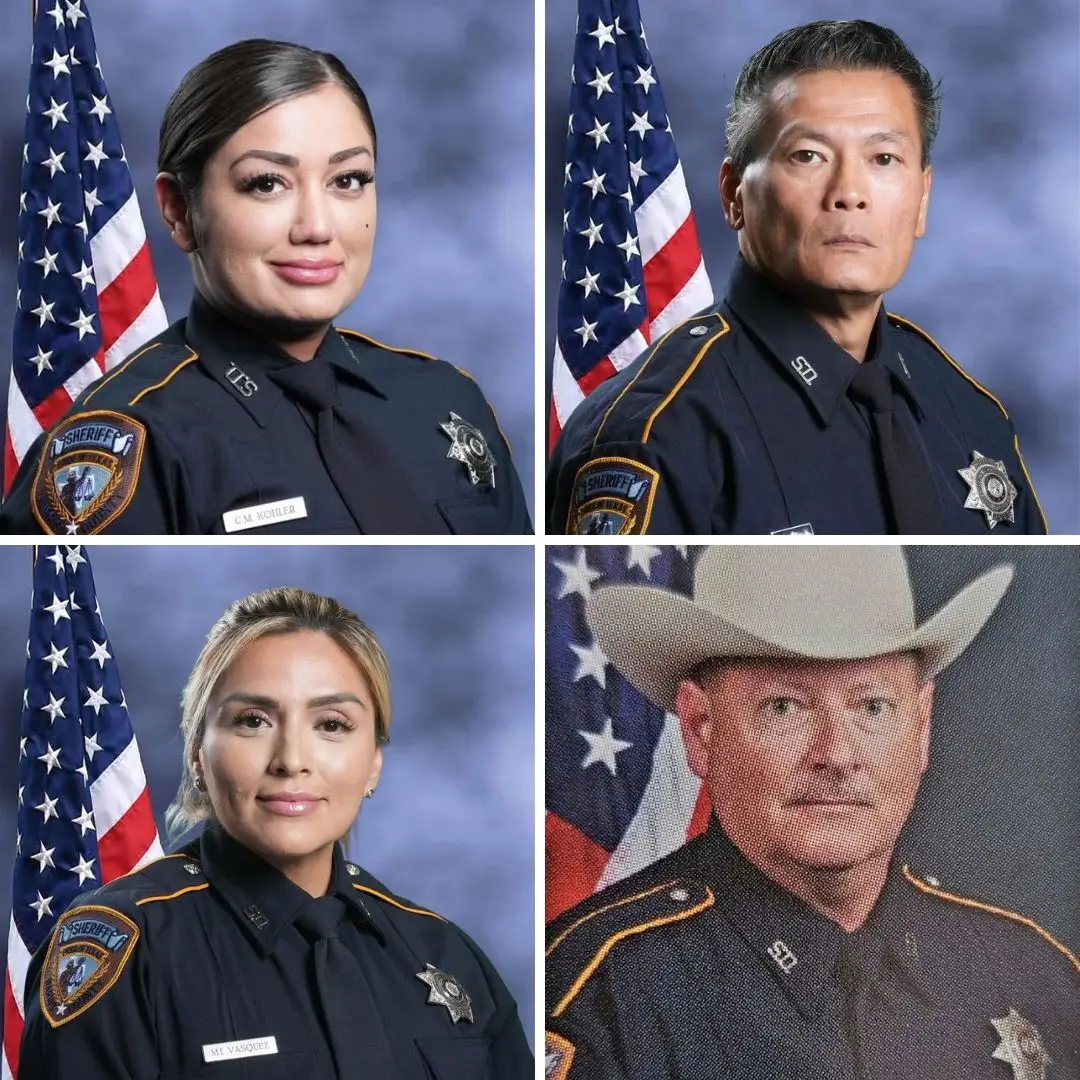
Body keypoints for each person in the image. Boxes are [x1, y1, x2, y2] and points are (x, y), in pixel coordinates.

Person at [545, 547, 1079, 1079]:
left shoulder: (1036, 980)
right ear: (701, 730)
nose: (837, 755)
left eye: (872, 706)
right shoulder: (599, 1004)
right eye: (784, 707)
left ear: (921, 728)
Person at [1, 40, 530, 535]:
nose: (317, 227)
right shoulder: (134, 443)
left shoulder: (446, 401)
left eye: (347, 180)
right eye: (267, 184)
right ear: (179, 210)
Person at [547, 20, 1046, 536]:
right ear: (734, 196)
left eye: (884, 158)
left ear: (921, 199)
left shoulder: (969, 414)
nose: (849, 193)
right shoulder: (656, 435)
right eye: (808, 156)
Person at [21, 587, 532, 1079]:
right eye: (253, 720)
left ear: (373, 763)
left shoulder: (447, 955)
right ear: (198, 756)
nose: (291, 760)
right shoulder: (127, 952)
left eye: (331, 724)